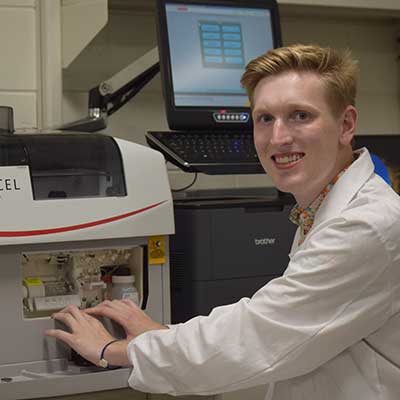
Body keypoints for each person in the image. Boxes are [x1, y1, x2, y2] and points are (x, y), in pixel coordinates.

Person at [46, 44, 400, 399]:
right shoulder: (323, 207)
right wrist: (163, 337)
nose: (278, 138)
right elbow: (280, 329)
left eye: (300, 116)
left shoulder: (365, 225)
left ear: (346, 124)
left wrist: (113, 351)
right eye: (264, 118)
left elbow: (261, 335)